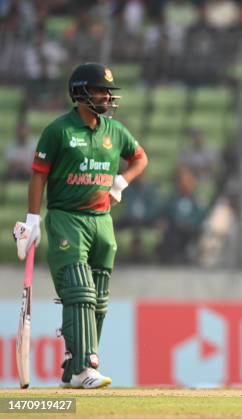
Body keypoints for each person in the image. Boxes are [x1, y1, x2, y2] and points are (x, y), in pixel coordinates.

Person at [12, 62, 148, 389]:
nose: (105, 97)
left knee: (98, 296)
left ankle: (79, 365)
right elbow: (38, 175)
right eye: (99, 90)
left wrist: (122, 182)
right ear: (79, 93)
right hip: (66, 218)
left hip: (102, 219)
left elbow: (141, 158)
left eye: (107, 92)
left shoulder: (114, 131)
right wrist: (33, 219)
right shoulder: (59, 131)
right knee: (79, 289)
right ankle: (83, 368)